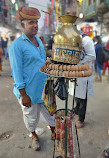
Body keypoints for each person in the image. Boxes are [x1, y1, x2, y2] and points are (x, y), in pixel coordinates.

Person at [9, 6, 55, 151]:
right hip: (28, 92)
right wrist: (24, 95)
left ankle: (54, 131)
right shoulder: (16, 46)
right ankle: (34, 135)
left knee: (50, 112)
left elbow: (41, 60)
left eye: (36, 22)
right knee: (31, 118)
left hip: (43, 87)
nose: (35, 25)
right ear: (22, 25)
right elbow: (16, 72)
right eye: (31, 22)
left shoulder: (39, 41)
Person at [74, 34, 96, 128]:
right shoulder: (71, 39)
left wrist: (78, 60)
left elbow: (92, 56)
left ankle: (81, 119)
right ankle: (76, 110)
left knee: (82, 96)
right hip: (75, 71)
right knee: (75, 93)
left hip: (83, 72)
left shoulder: (86, 40)